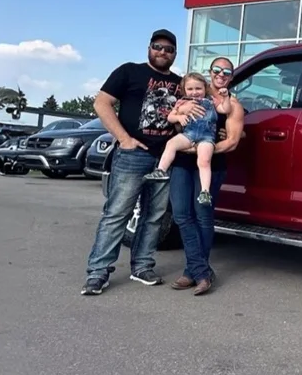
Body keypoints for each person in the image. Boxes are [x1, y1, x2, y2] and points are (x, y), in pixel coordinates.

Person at [80, 29, 205, 296]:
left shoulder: (179, 82)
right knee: (117, 214)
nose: (163, 52)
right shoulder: (129, 72)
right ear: (149, 48)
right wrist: (123, 138)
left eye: (169, 49)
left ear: (175, 54)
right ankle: (98, 272)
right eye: (158, 47)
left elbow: (198, 100)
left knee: (155, 216)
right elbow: (102, 103)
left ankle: (142, 266)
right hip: (132, 155)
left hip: (165, 158)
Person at [167, 57, 244, 295]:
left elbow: (233, 141)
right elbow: (174, 123)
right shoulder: (191, 95)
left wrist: (202, 151)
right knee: (181, 214)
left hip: (211, 166)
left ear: (231, 76)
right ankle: (201, 271)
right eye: (217, 70)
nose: (221, 74)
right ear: (210, 72)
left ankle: (193, 273)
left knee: (202, 216)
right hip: (181, 164)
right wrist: (180, 115)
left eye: (227, 72)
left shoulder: (232, 105)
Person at [143, 71, 231, 205]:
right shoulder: (181, 102)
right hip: (189, 134)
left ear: (205, 88)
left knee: (204, 160)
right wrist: (179, 117)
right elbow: (170, 117)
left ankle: (205, 191)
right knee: (171, 144)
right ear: (184, 90)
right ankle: (161, 170)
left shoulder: (212, 101)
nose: (194, 92)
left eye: (198, 88)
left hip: (206, 136)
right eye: (190, 89)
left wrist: (225, 98)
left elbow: (225, 110)